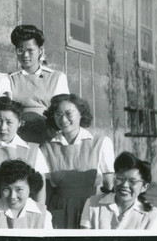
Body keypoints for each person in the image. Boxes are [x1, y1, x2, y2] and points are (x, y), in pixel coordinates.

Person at [40, 94, 115, 229]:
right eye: (58, 114)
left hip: (92, 207)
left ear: (81, 114)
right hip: (59, 209)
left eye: (69, 113)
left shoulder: (101, 142)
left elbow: (109, 184)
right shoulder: (47, 147)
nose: (63, 119)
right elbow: (47, 189)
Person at [0, 97, 48, 204]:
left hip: (23, 215)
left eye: (9, 122)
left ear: (20, 123)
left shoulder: (33, 151)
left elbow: (40, 191)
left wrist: (37, 216)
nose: (3, 127)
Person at [9, 25, 69, 143]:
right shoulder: (9, 79)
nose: (25, 55)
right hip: (19, 137)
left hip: (49, 136)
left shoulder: (57, 77)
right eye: (20, 50)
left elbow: (63, 111)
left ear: (40, 51)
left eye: (30, 50)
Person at [80, 152, 157, 230]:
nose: (125, 185)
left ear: (144, 187)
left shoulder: (154, 217)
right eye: (120, 178)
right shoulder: (92, 204)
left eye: (132, 181)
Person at [0, 160, 52, 229]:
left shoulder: (44, 215)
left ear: (30, 188)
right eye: (6, 189)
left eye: (19, 189)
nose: (12, 196)